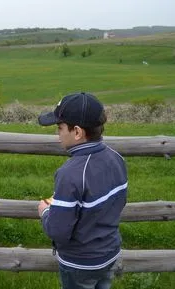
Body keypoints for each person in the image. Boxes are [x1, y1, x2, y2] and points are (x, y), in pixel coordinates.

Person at [37, 92, 128, 289]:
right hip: (110, 253)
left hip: (80, 263)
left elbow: (58, 231)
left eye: (60, 127)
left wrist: (44, 210)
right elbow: (118, 203)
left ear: (77, 132)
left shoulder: (70, 173)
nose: (57, 133)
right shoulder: (116, 158)